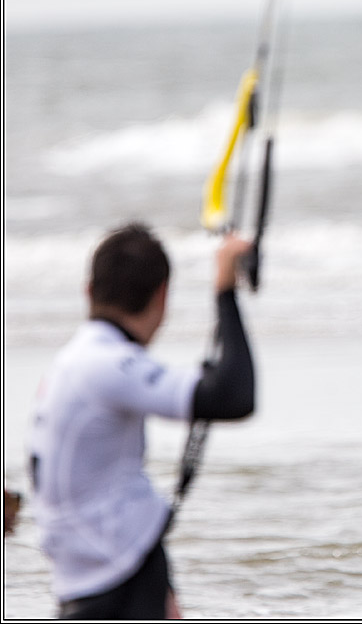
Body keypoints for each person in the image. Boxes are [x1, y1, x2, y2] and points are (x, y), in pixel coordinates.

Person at [28, 222, 256, 619]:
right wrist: (225, 287)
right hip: (114, 575)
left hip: (84, 572)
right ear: (162, 296)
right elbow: (233, 397)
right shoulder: (108, 364)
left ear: (89, 290)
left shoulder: (71, 362)